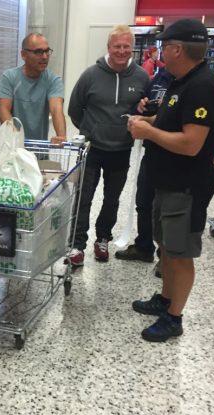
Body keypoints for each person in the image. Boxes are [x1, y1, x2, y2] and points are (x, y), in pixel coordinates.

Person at [127, 19, 214, 342]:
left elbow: (191, 143)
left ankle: (174, 317)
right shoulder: (180, 81)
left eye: (165, 46)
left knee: (180, 253)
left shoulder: (203, 87)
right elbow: (172, 119)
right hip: (167, 181)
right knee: (167, 246)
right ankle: (165, 298)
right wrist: (149, 120)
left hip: (186, 186)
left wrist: (148, 132)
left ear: (178, 49)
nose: (161, 52)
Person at [66, 25, 148, 265]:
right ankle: (77, 245)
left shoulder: (141, 77)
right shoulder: (91, 75)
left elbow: (145, 109)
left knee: (112, 200)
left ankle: (103, 238)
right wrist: (91, 130)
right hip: (92, 149)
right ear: (108, 47)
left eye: (126, 46)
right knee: (83, 198)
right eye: (117, 46)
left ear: (132, 48)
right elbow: (74, 108)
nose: (121, 51)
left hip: (121, 150)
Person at [115, 67, 174, 278]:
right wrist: (142, 107)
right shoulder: (160, 77)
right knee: (144, 201)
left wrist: (164, 111)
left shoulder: (192, 84)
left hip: (174, 156)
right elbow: (144, 107)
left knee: (164, 209)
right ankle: (144, 246)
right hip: (152, 151)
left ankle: (166, 257)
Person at [0, 33, 66, 153]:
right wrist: (18, 138)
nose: (44, 56)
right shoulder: (10, 77)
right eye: (38, 52)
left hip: (39, 151)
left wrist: (61, 136)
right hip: (13, 150)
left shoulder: (53, 80)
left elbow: (56, 109)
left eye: (47, 51)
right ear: (23, 55)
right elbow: (4, 110)